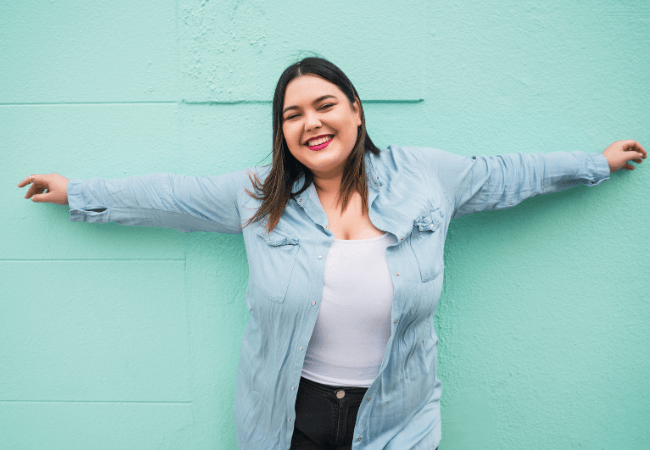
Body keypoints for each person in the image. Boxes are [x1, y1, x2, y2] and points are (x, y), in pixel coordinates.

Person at [18, 57, 645, 450]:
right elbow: (167, 196)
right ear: (283, 132)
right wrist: (77, 191)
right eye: (293, 115)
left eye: (324, 105)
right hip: (292, 415)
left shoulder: (427, 175)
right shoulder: (257, 196)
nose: (311, 123)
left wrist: (598, 163)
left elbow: (511, 174)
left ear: (355, 110)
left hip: (399, 410)